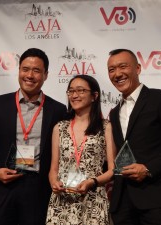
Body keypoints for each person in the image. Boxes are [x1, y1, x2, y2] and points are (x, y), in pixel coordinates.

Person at [0, 48, 67, 225]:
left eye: (36, 70)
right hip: (2, 188)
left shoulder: (58, 110)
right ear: (19, 71)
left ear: (46, 75)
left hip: (38, 192)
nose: (29, 75)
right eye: (25, 69)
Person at [107, 49, 161, 225]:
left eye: (123, 66)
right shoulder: (114, 113)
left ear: (137, 68)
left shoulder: (160, 98)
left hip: (156, 199)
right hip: (122, 202)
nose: (117, 74)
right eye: (111, 69)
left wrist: (147, 168)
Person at [45, 75, 116, 224]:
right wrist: (54, 183)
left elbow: (112, 170)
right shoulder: (59, 127)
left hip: (93, 199)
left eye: (81, 90)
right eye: (71, 91)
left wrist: (92, 181)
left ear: (94, 96)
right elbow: (53, 169)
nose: (74, 95)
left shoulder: (105, 127)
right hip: (62, 202)